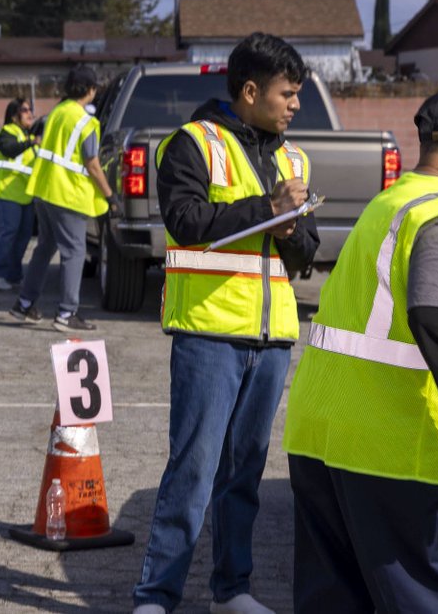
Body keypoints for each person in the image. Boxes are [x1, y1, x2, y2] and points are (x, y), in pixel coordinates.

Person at [283, 86, 438, 613]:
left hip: (322, 436)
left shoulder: (388, 205)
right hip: (400, 452)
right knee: (434, 601)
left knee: (336, 602)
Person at [131, 33, 319, 614]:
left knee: (244, 477)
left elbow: (306, 251)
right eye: (287, 94)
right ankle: (156, 596)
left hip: (273, 338)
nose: (294, 105)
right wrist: (269, 210)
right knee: (193, 469)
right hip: (210, 332)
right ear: (249, 90)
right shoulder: (191, 144)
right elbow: (185, 221)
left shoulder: (294, 158)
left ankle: (231, 591)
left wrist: (290, 229)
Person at [10, 65, 116, 332]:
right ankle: (67, 313)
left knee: (45, 247)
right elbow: (92, 164)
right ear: (91, 91)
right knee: (74, 252)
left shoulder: (56, 112)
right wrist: (110, 195)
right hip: (68, 195)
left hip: (44, 189)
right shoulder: (85, 121)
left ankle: (24, 304)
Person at [0, 97, 38, 290]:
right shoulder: (7, 132)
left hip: (24, 196)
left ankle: (13, 275)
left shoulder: (25, 136)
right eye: (24, 110)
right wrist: (31, 143)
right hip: (6, 194)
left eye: (30, 109)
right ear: (14, 116)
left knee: (22, 237)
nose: (30, 113)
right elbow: (9, 150)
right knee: (8, 234)